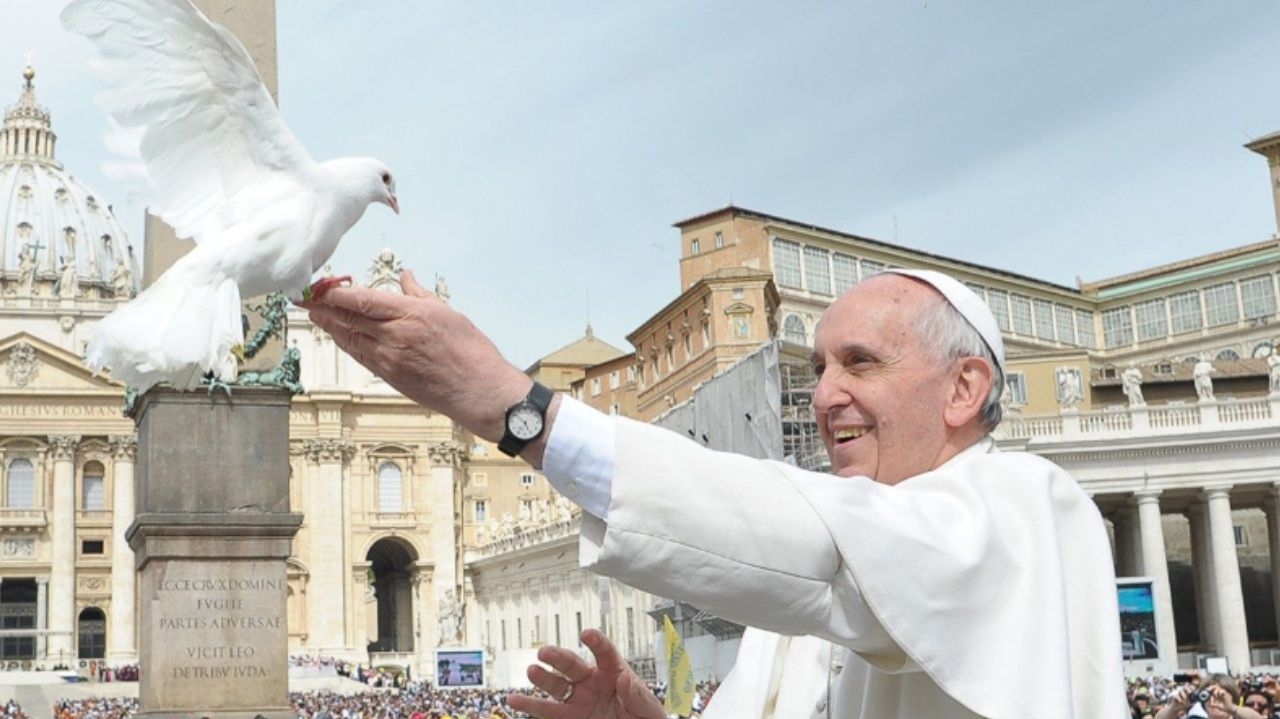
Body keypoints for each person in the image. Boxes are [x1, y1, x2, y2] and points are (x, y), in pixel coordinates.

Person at [304, 267, 1125, 718]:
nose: (825, 394)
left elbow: (824, 543)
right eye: (817, 369)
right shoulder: (811, 604)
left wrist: (521, 413)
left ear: (963, 388)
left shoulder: (1026, 509)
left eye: (861, 362)